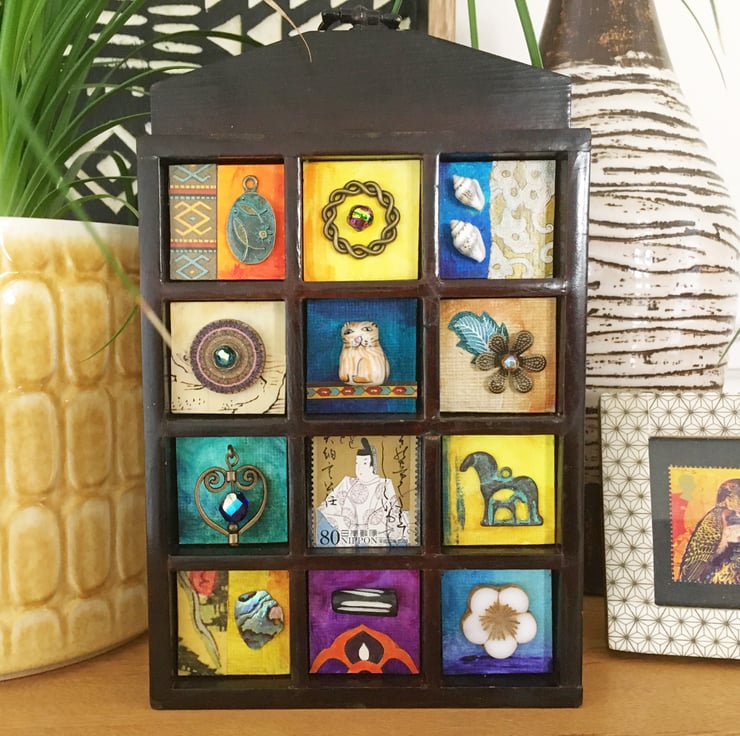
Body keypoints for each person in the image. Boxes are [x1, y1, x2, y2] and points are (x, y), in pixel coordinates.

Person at [316, 438, 410, 546]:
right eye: (357, 463)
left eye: (364, 463)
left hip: (376, 536)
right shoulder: (348, 482)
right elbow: (328, 506)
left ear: (372, 465)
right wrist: (343, 522)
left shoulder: (384, 484)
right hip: (350, 535)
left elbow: (393, 513)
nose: (359, 468)